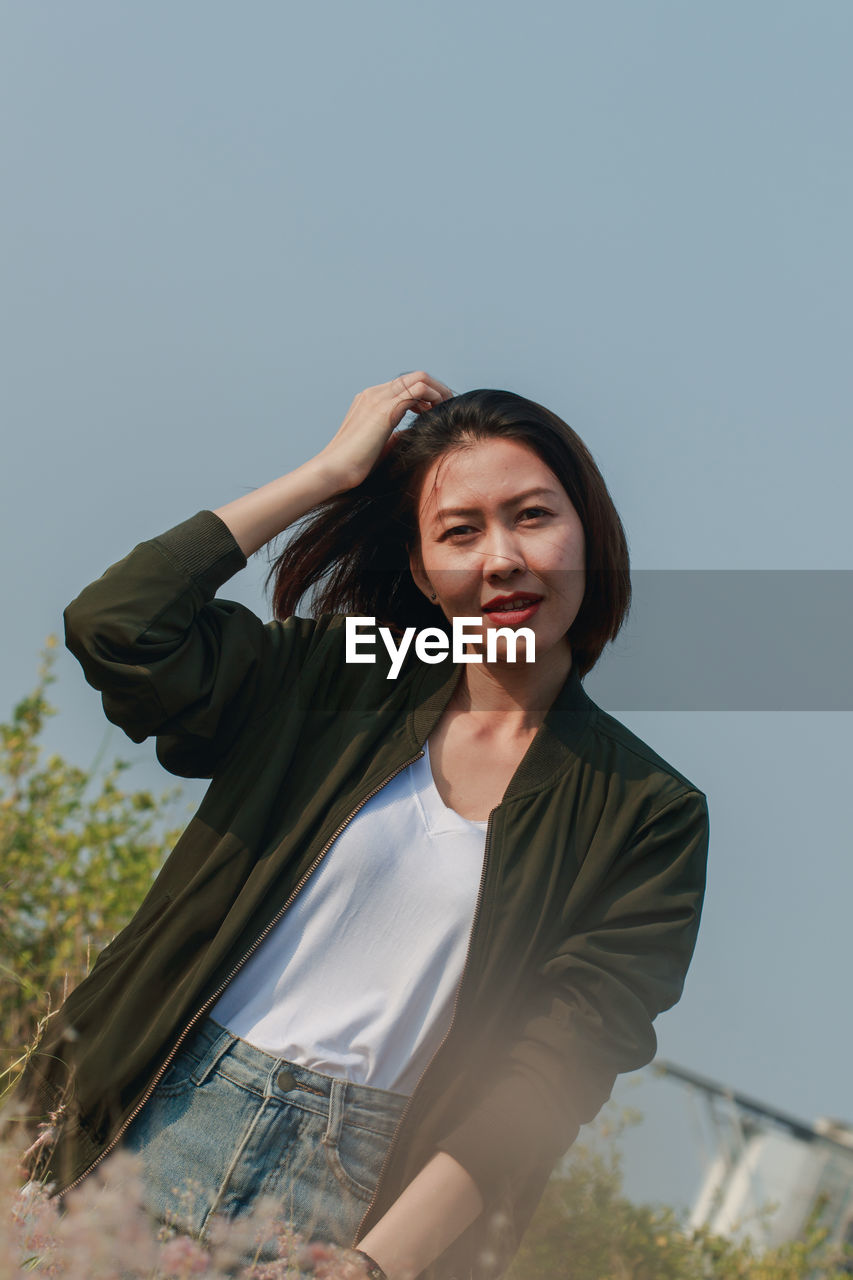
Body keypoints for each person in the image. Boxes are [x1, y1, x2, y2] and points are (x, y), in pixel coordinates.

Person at [11, 373, 710, 1280]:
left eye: (532, 516)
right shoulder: (332, 678)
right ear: (420, 570)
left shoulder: (647, 812)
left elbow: (551, 1073)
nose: (500, 558)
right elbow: (119, 627)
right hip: (136, 1123)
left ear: (589, 533)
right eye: (460, 531)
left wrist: (375, 1267)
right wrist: (328, 473)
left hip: (349, 1207)